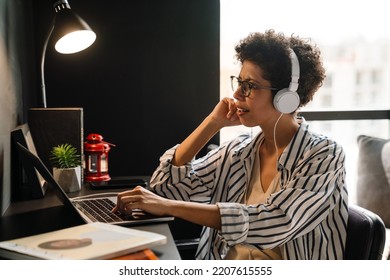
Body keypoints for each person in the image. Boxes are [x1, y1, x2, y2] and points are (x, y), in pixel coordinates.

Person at [113, 30, 349, 260]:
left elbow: (276, 221)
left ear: (286, 97)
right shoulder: (239, 151)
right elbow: (164, 187)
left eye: (250, 85)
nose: (237, 94)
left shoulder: (324, 155)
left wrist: (169, 207)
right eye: (239, 82)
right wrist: (212, 123)